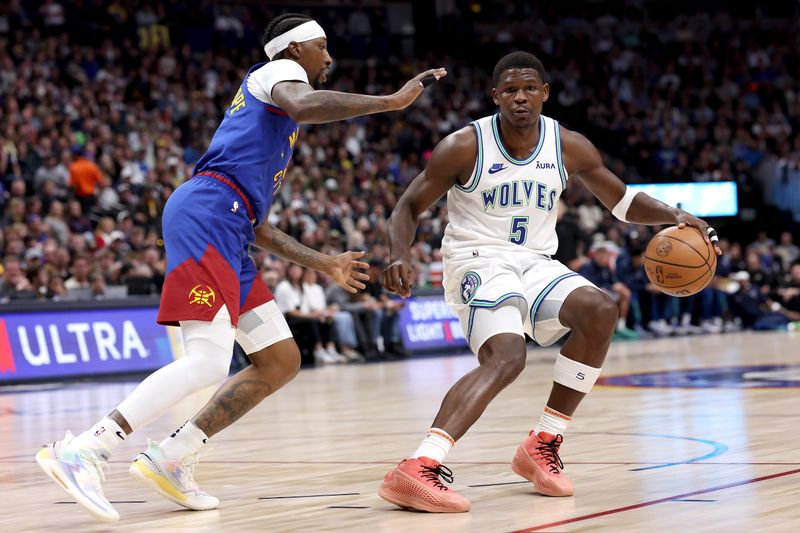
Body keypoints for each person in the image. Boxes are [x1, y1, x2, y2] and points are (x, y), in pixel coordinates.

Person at [36, 12, 446, 523]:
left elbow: (257, 226)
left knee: (280, 359)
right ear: (296, 50)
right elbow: (304, 105)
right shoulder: (275, 77)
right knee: (208, 361)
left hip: (230, 225)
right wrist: (390, 101)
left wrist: (325, 264)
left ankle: (173, 454)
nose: (330, 57)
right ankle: (87, 451)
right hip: (207, 214)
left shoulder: (272, 128)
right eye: (322, 47)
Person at [378, 51, 721, 513]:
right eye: (511, 90)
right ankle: (420, 464)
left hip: (536, 261)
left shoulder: (568, 144)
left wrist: (677, 215)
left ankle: (542, 442)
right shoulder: (465, 145)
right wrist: (399, 254)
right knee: (508, 358)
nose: (520, 97)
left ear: (545, 93)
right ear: (495, 96)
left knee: (600, 310)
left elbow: (621, 202)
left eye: (529, 89)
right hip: (477, 259)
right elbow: (407, 206)